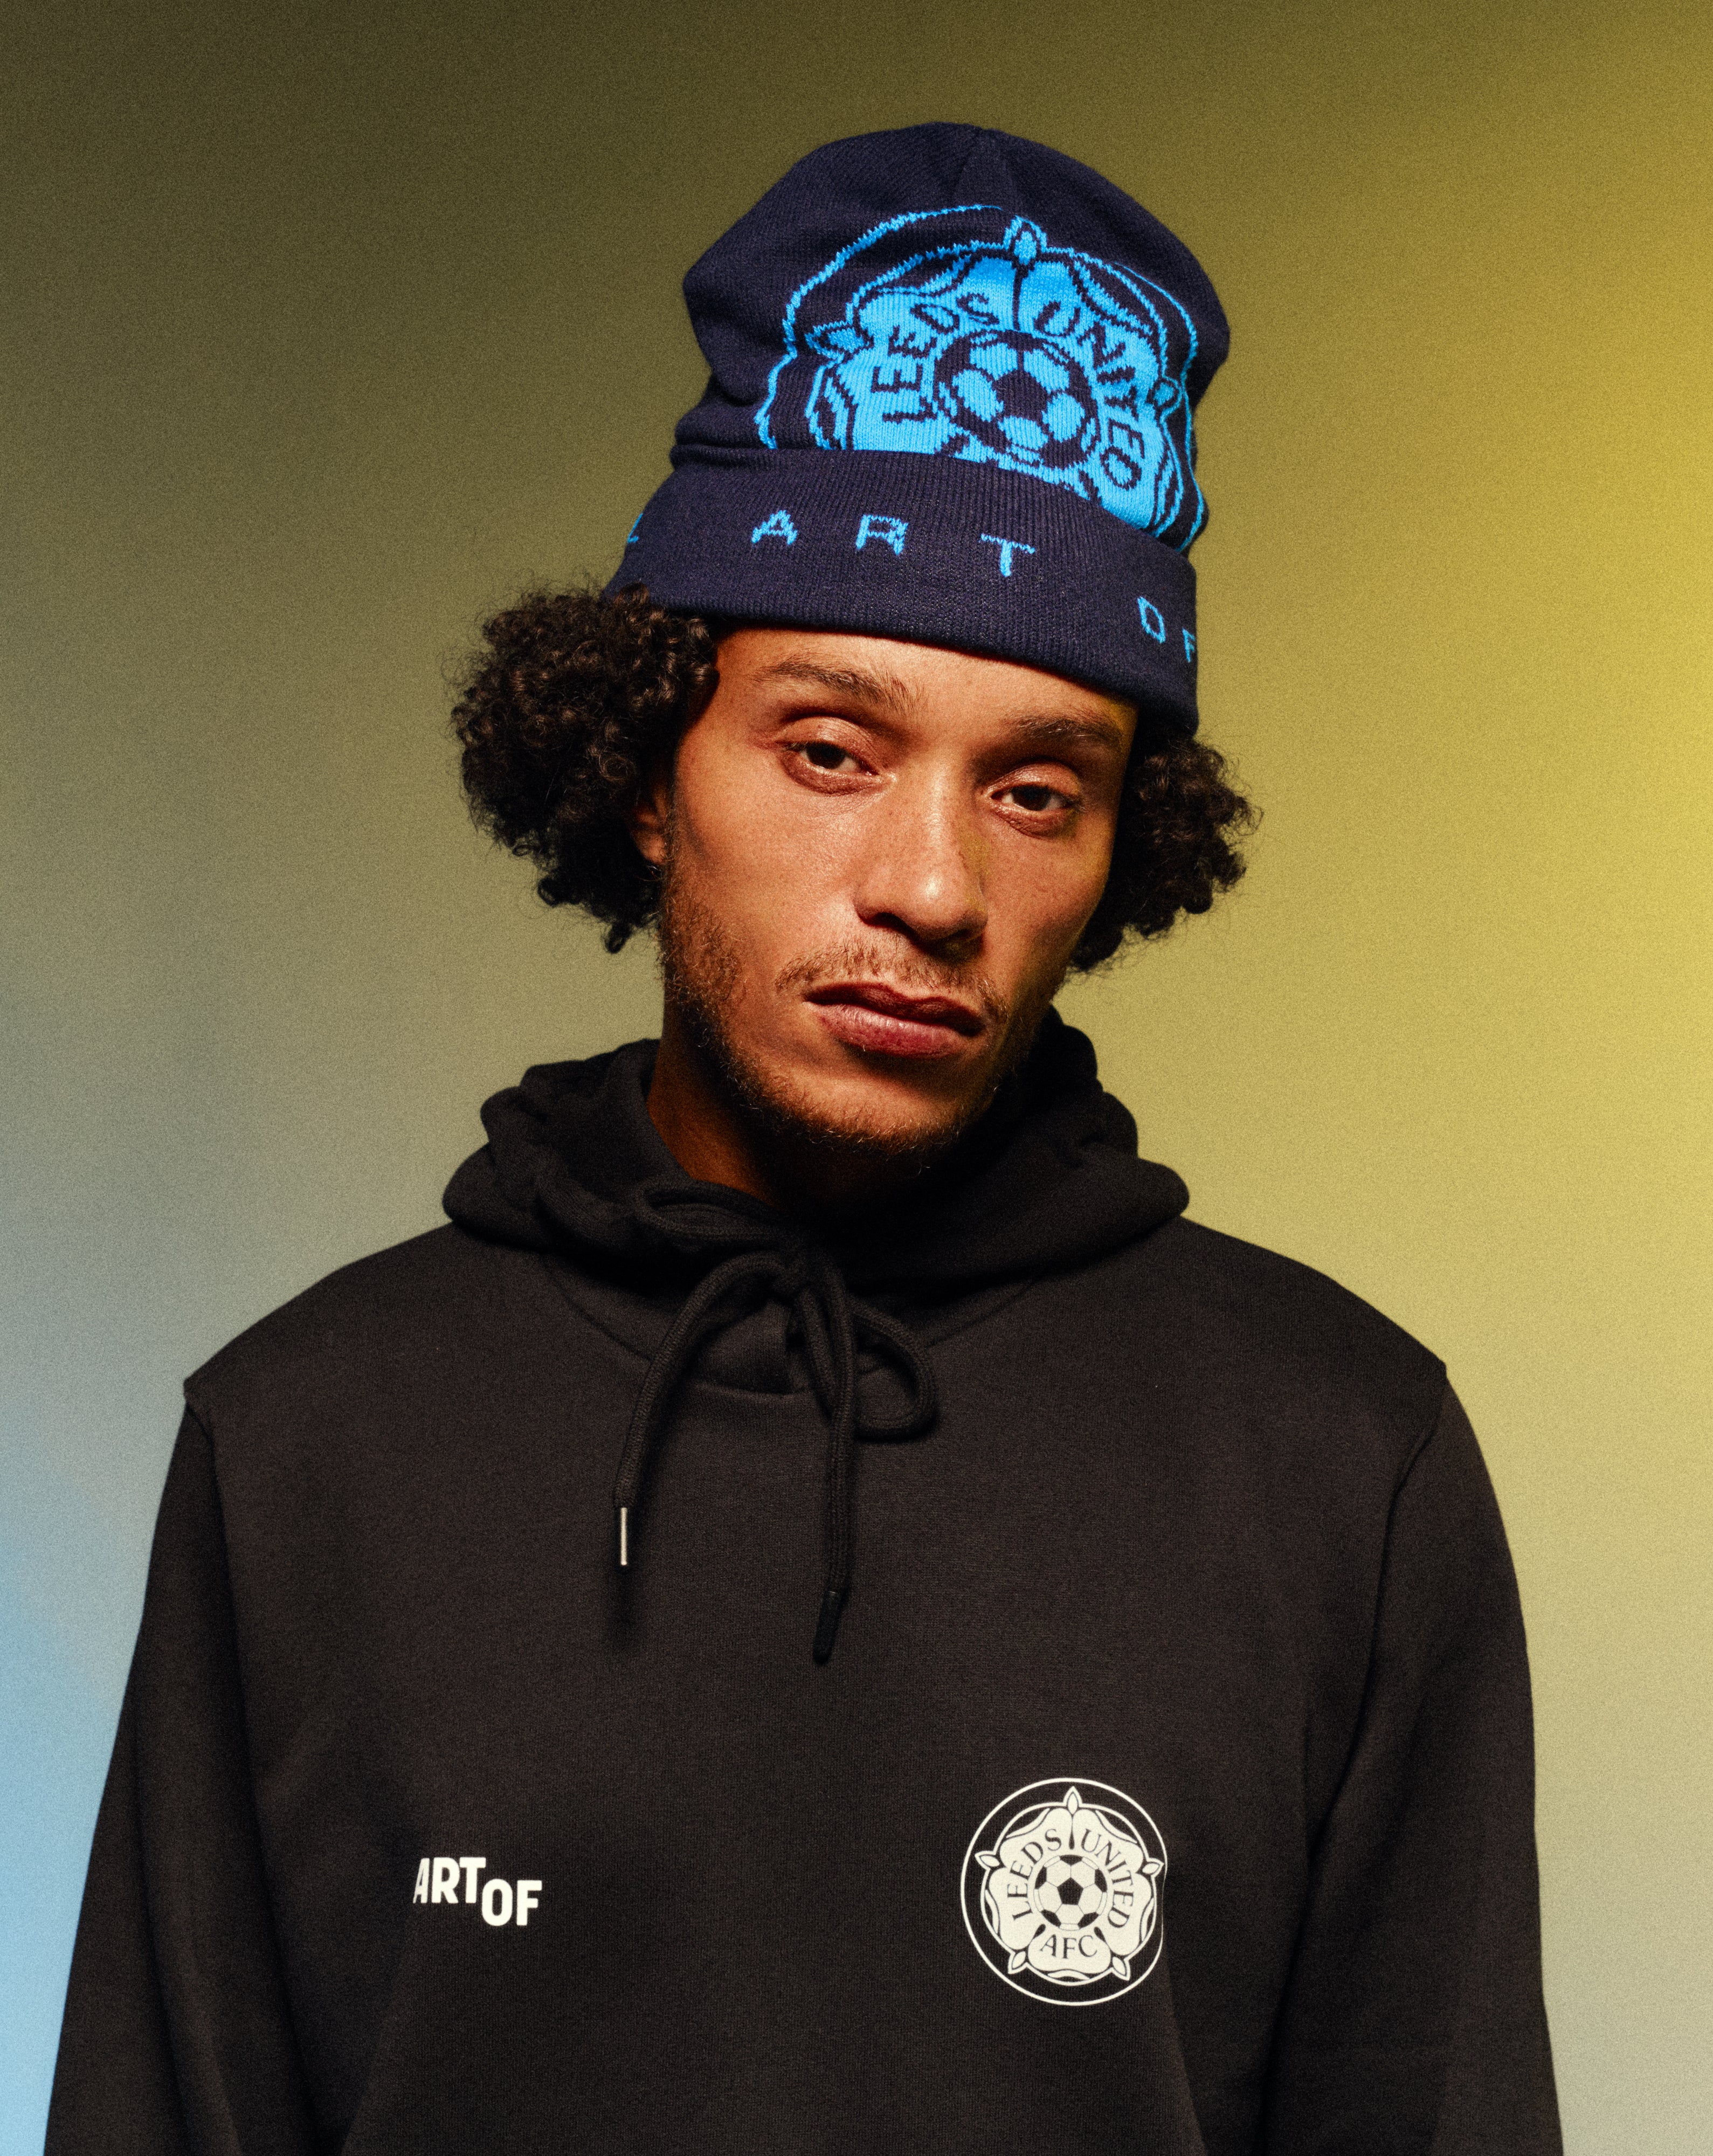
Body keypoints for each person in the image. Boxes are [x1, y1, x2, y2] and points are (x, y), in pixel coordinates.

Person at [49, 124, 1562, 2154]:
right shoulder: (308, 1441)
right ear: (642, 770)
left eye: (1036, 791)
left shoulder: (1339, 1462)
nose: (930, 886)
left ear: (1122, 850)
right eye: (831, 751)